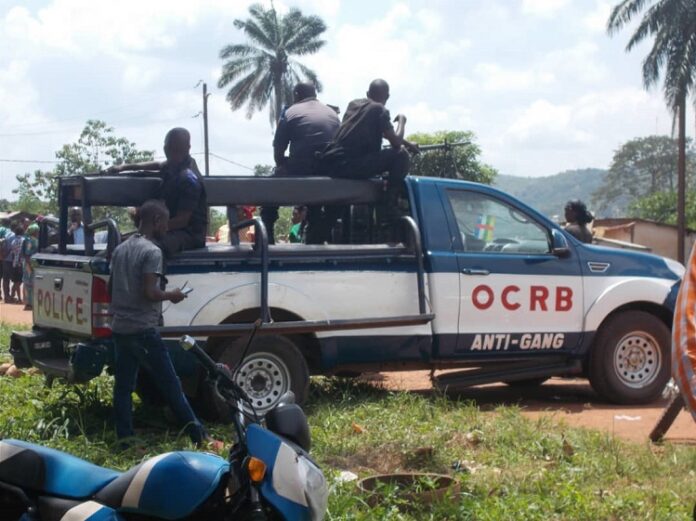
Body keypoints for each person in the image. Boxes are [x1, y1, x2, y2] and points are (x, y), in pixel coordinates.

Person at [109, 199, 220, 449]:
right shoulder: (153, 252)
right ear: (157, 221)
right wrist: (173, 294)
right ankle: (199, 437)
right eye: (166, 222)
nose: (168, 228)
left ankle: (124, 438)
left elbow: (110, 287)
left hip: (120, 328)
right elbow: (150, 292)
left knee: (123, 387)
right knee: (172, 386)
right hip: (143, 330)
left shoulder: (121, 248)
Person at [313, 79, 419, 243]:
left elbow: (385, 132)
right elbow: (396, 142)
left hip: (334, 164)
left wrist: (409, 143)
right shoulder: (380, 109)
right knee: (401, 155)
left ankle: (317, 238)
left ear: (368, 94)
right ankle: (389, 204)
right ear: (387, 97)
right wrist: (403, 120)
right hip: (352, 165)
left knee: (332, 214)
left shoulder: (354, 105)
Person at [108, 128, 208, 257]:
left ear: (187, 148)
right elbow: (157, 165)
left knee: (148, 249)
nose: (170, 151)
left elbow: (182, 221)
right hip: (163, 228)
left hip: (188, 233)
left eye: (176, 148)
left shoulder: (190, 179)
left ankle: (153, 276)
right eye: (168, 147)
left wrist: (151, 230)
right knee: (123, 242)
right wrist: (123, 167)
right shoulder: (173, 164)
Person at [260, 82, 340, 244]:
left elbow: (278, 150)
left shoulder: (290, 112)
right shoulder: (332, 113)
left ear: (296, 95)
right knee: (317, 208)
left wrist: (283, 165)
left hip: (301, 168)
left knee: (268, 196)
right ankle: (315, 238)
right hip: (329, 170)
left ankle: (267, 237)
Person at [21, 223, 39, 310]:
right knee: (29, 284)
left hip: (32, 264)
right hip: (29, 264)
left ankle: (31, 303)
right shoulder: (29, 240)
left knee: (32, 284)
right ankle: (28, 303)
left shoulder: (34, 239)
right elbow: (27, 254)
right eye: (37, 231)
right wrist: (29, 266)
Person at [1, 225, 16, 303]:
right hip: (13, 260)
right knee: (16, 279)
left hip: (5, 259)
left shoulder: (6, 235)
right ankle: (10, 296)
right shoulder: (14, 235)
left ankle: (7, 296)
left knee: (5, 278)